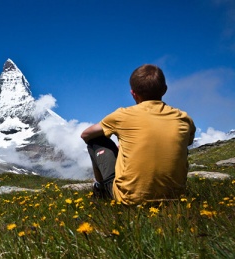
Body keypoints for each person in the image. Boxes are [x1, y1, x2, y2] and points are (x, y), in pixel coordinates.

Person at [81, 64, 196, 205]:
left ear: (133, 93)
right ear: (165, 90)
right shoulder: (184, 118)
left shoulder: (122, 115)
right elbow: (188, 143)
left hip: (129, 199)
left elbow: (85, 135)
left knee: (95, 139)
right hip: (176, 198)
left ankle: (101, 189)